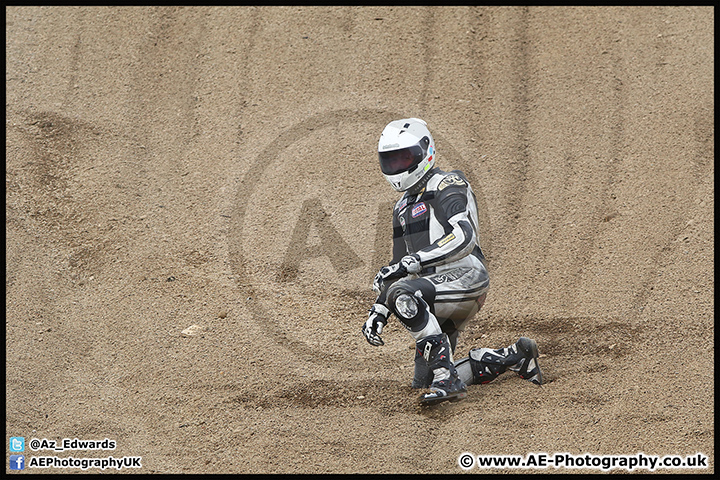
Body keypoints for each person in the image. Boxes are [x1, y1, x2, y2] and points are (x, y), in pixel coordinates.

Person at [361, 118, 543, 405]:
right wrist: (379, 310)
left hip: (465, 274)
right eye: (390, 160)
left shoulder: (448, 183)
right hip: (433, 289)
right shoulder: (401, 207)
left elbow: (464, 234)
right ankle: (514, 356)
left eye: (404, 157)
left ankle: (448, 377)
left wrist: (411, 264)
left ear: (426, 151)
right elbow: (400, 264)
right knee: (421, 383)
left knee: (404, 293)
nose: (397, 166)